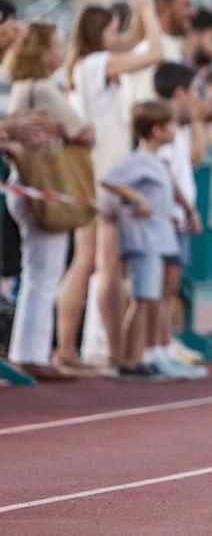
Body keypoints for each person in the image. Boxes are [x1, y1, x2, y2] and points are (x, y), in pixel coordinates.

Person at [58, 0, 165, 371]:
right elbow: (151, 51)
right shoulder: (98, 64)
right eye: (114, 31)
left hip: (101, 175)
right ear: (100, 35)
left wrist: (142, 6)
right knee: (94, 266)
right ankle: (83, 350)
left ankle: (90, 349)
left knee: (97, 265)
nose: (121, 38)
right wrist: (146, 8)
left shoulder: (90, 65)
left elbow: (136, 39)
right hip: (104, 179)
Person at [1, 22, 96, 380]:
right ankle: (33, 354)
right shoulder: (43, 88)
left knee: (36, 272)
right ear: (43, 53)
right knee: (44, 274)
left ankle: (28, 351)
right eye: (58, 45)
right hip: (45, 184)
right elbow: (84, 132)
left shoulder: (21, 87)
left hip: (24, 184)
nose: (62, 51)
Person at [101, 100, 198, 380]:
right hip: (144, 240)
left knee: (152, 297)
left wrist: (187, 212)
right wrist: (137, 198)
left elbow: (170, 189)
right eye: (170, 126)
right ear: (156, 130)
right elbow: (110, 180)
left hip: (159, 237)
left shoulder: (157, 161)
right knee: (142, 298)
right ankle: (128, 359)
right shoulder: (139, 160)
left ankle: (141, 354)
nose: (175, 131)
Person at [152, 62, 209, 378]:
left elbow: (197, 155)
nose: (198, 99)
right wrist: (188, 209)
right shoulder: (163, 126)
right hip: (168, 218)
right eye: (194, 92)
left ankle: (164, 343)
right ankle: (156, 347)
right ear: (180, 93)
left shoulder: (181, 124)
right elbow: (166, 175)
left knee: (170, 287)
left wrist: (198, 119)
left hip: (178, 218)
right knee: (161, 288)